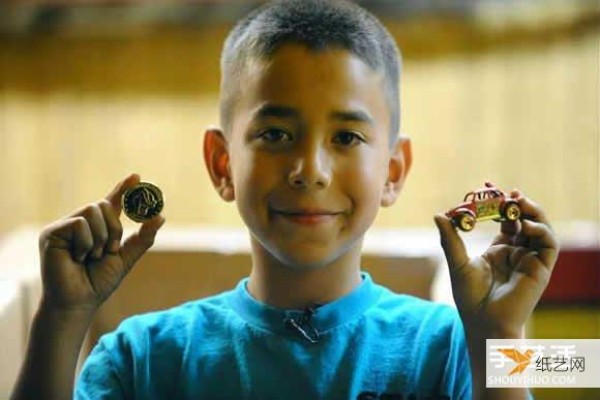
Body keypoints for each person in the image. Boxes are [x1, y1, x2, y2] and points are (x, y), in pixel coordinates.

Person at [11, 1, 559, 399]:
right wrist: (61, 317)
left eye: (346, 137)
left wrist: (499, 336)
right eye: (275, 134)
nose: (310, 171)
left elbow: (574, 367)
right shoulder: (143, 359)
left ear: (393, 172)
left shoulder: (447, 349)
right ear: (223, 164)